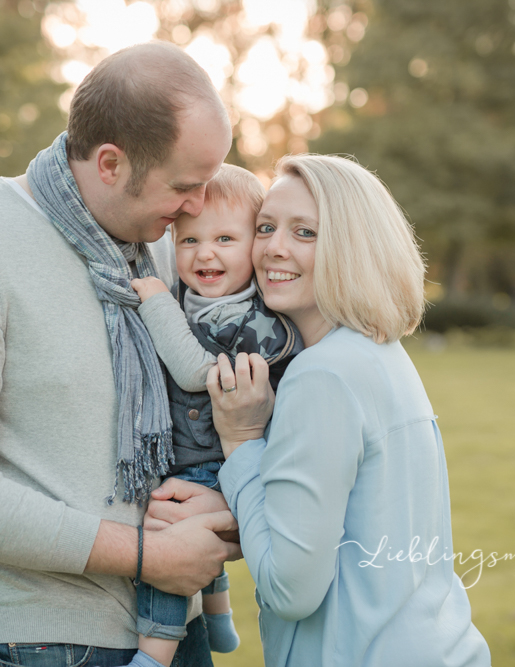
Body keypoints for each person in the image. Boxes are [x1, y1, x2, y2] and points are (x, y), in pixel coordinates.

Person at [0, 42, 241, 667]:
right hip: (40, 645)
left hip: (177, 630)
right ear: (110, 163)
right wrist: (147, 555)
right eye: (185, 186)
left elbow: (207, 417)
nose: (198, 207)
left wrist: (225, 511)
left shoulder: (165, 244)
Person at [200, 154, 493, 666]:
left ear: (352, 247)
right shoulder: (378, 354)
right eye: (265, 227)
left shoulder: (324, 375)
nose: (274, 248)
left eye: (305, 232)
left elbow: (291, 590)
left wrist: (242, 440)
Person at [127, 164, 303, 667]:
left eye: (225, 238)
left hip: (218, 458)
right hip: (193, 450)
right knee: (190, 529)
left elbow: (194, 373)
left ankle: (154, 654)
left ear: (253, 245)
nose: (205, 253)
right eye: (189, 241)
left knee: (170, 541)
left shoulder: (255, 324)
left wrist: (157, 301)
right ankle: (219, 618)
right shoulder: (203, 301)